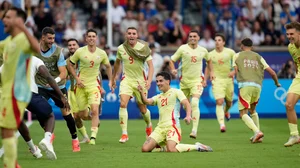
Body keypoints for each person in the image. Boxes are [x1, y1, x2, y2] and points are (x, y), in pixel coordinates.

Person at [0, 7, 39, 168]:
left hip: (17, 93)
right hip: (6, 92)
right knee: (5, 130)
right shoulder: (7, 42)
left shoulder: (23, 39)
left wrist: (24, 28)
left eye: (8, 17)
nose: (4, 19)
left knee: (8, 130)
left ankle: (10, 165)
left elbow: (37, 49)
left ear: (18, 21)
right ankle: (13, 164)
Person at [138, 71, 213, 153]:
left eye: (161, 81)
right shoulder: (158, 96)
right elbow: (146, 102)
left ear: (168, 81)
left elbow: (186, 103)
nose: (158, 83)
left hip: (172, 127)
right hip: (160, 128)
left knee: (171, 149)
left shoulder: (176, 92)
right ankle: (163, 147)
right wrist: (141, 92)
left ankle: (197, 146)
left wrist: (188, 115)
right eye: (157, 81)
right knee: (145, 149)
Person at [35, 27, 80, 152]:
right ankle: (48, 134)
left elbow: (63, 73)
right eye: (49, 38)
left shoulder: (58, 51)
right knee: (38, 111)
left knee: (66, 114)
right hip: (40, 85)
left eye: (53, 38)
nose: (52, 41)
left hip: (57, 86)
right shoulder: (34, 50)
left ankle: (75, 140)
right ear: (43, 37)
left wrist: (53, 82)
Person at [68, 29, 113, 145]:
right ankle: (95, 121)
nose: (91, 38)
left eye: (94, 36)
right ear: (86, 38)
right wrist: (77, 79)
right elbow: (70, 65)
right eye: (89, 36)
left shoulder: (102, 53)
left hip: (94, 85)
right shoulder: (80, 52)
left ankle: (93, 137)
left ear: (96, 38)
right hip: (80, 86)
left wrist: (111, 80)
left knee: (94, 110)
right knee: (82, 115)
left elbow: (108, 66)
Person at [233, 38, 281, 143]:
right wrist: (277, 83)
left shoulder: (237, 55)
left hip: (245, 85)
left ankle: (257, 132)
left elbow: (235, 70)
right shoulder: (258, 57)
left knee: (243, 113)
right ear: (252, 47)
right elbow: (272, 72)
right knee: (253, 110)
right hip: (258, 86)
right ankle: (259, 136)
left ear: (241, 46)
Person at [169, 30, 215, 139]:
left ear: (199, 37)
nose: (192, 38)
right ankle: (188, 114)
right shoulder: (182, 49)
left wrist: (211, 73)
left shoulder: (203, 50)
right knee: (186, 106)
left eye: (195, 36)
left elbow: (209, 61)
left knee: (194, 102)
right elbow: (171, 60)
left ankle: (194, 130)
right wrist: (172, 69)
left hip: (197, 81)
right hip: (184, 82)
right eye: (190, 36)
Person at [112, 27, 154, 143]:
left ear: (137, 35)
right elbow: (117, 64)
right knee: (123, 103)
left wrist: (149, 80)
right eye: (129, 33)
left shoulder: (143, 48)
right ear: (126, 35)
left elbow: (151, 66)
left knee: (143, 108)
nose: (131, 35)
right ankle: (124, 134)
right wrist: (113, 78)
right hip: (127, 80)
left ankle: (149, 125)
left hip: (140, 81)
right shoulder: (121, 48)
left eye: (133, 33)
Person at [206, 33, 236, 132]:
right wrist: (204, 80)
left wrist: (234, 71)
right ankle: (222, 124)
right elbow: (207, 68)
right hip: (217, 80)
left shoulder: (231, 52)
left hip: (228, 80)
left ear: (223, 42)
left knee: (229, 102)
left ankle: (226, 111)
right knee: (219, 101)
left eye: (219, 40)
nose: (217, 42)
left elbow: (237, 65)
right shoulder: (210, 54)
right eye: (215, 40)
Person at [283, 21, 300, 147]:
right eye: (287, 34)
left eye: (292, 34)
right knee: (289, 104)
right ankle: (295, 135)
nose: (289, 36)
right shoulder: (290, 47)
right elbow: (296, 61)